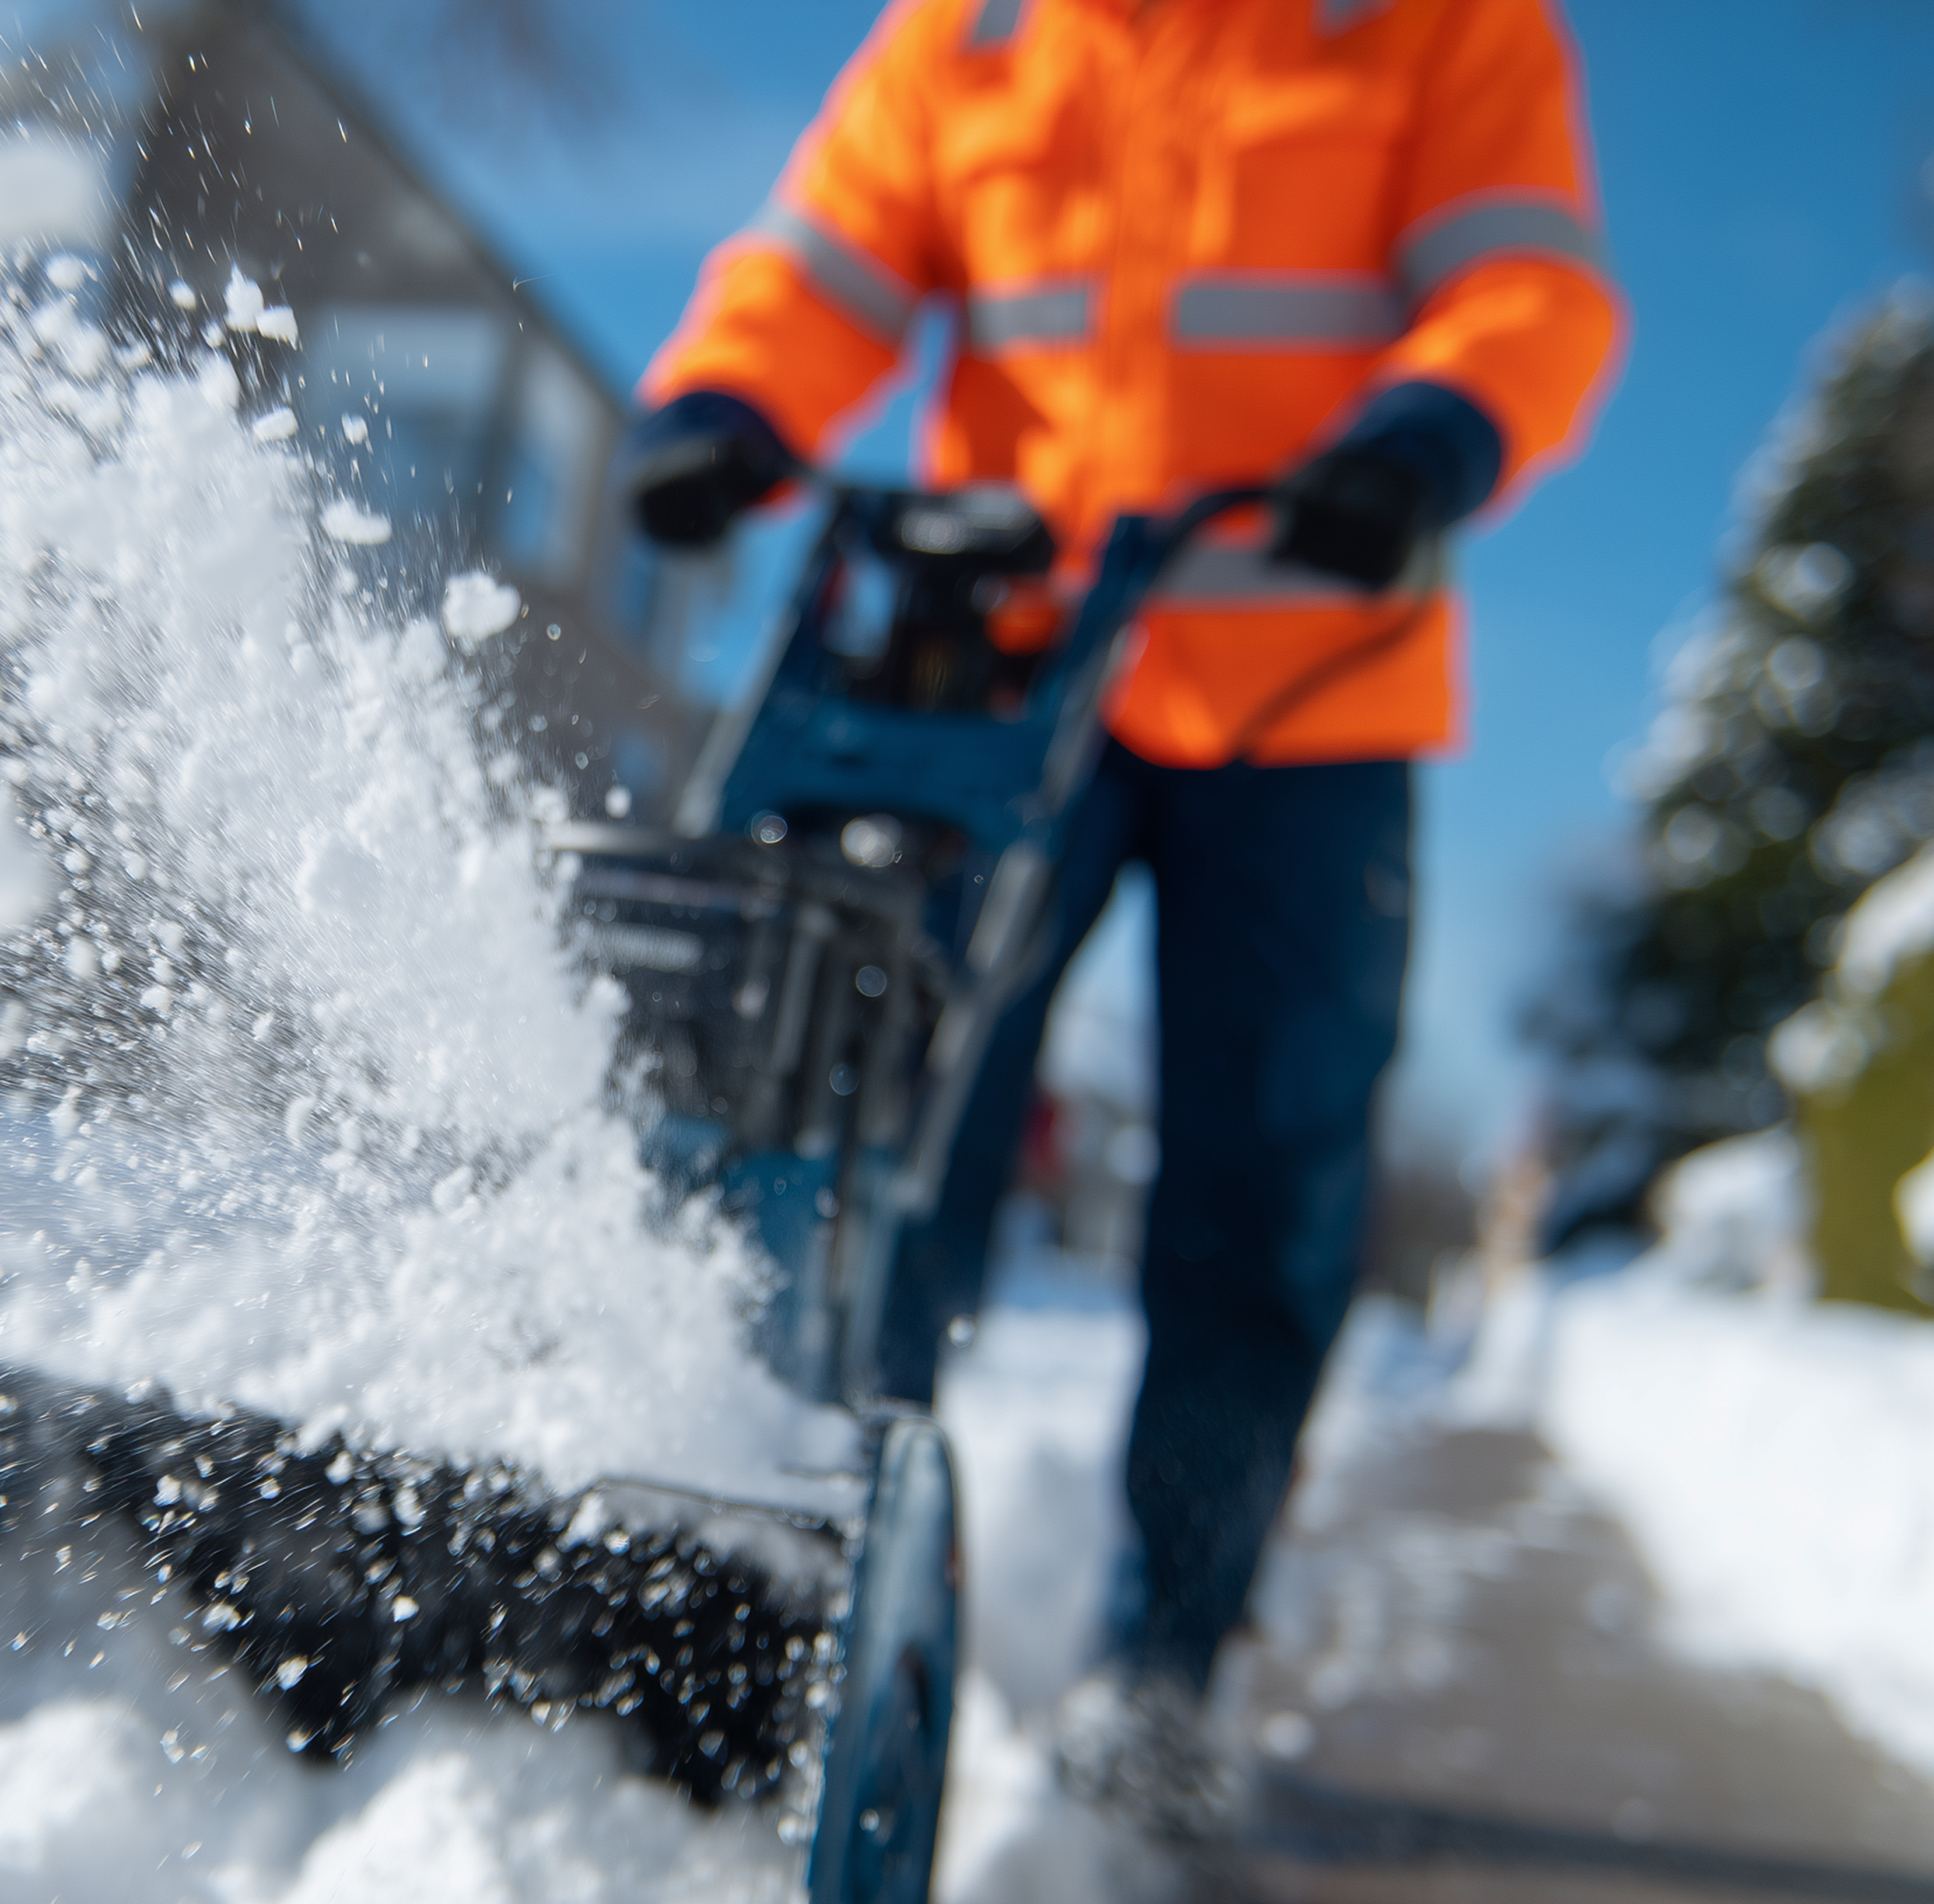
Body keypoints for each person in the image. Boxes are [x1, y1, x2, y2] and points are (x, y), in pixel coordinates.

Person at [624, 0, 1620, 1835]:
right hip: (1009, 673)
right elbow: (830, 259)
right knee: (871, 1113)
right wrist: (731, 401)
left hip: (1310, 685)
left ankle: (1160, 1668)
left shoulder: (1438, 28)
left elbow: (1532, 288)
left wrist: (1425, 438)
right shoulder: (981, 33)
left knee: (1264, 1184)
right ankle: (789, 1540)